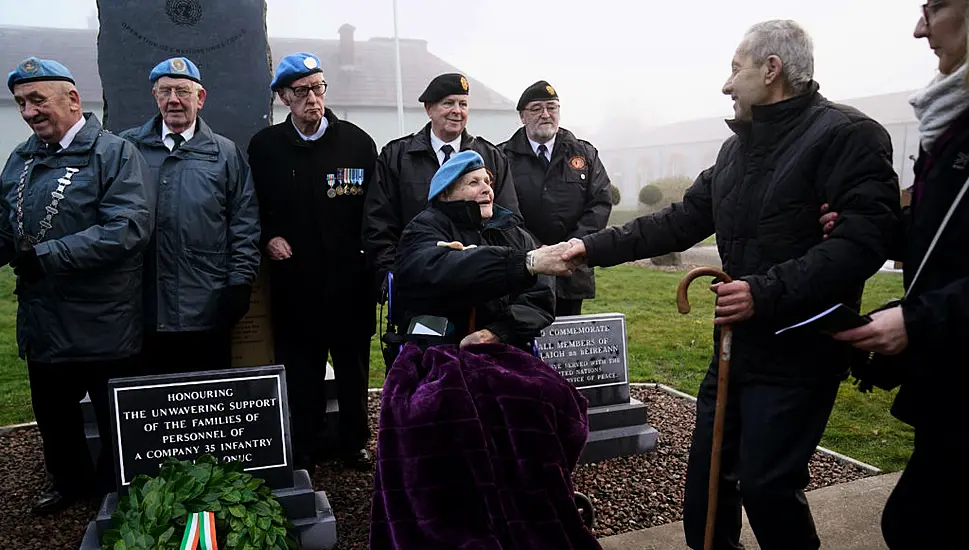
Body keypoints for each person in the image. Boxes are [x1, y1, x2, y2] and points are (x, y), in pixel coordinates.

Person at [533, 20, 901, 550]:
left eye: (735, 69)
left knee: (768, 486)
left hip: (801, 346)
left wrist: (763, 292)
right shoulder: (736, 150)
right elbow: (679, 220)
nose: (726, 85)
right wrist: (588, 247)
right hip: (735, 343)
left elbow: (861, 243)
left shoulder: (847, 135)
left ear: (771, 70)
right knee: (706, 481)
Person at [370, 150, 599, 549]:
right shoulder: (423, 230)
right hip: (434, 349)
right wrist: (515, 263)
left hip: (496, 345)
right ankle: (461, 511)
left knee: (549, 398)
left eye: (488, 182)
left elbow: (540, 299)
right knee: (445, 408)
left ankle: (531, 498)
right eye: (473, 183)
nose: (485, 189)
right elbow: (433, 271)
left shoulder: (512, 230)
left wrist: (499, 330)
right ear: (446, 193)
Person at [829, 2, 969, 548]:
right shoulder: (953, 119)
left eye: (934, 8)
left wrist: (919, 320)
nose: (919, 28)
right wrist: (879, 230)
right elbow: (945, 234)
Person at [1, 57, 154, 512]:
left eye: (37, 100)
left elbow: (128, 227)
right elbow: (6, 228)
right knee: (54, 417)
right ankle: (70, 485)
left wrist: (47, 257)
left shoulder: (114, 153)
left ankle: (118, 492)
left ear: (72, 99)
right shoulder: (21, 157)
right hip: (44, 321)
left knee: (114, 420)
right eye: (21, 103)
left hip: (103, 320)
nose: (28, 112)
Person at [248, 52, 377, 472]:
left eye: (318, 88)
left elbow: (374, 213)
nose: (312, 99)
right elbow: (254, 208)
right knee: (302, 369)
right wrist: (269, 236)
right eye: (301, 91)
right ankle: (306, 440)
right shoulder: (265, 147)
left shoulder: (357, 143)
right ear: (284, 97)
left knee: (352, 367)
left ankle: (355, 439)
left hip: (348, 282)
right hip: (295, 283)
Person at [119, 56, 260, 374]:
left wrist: (240, 283)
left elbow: (244, 223)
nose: (173, 100)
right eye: (165, 91)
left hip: (207, 307)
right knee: (152, 406)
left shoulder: (225, 154)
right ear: (155, 97)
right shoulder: (126, 149)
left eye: (182, 90)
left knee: (207, 407)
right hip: (143, 307)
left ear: (201, 98)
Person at [363, 73, 520, 308]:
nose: (457, 111)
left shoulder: (491, 156)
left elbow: (508, 220)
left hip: (480, 286)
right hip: (418, 283)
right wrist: (391, 273)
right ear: (429, 109)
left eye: (463, 104)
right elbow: (379, 222)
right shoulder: (396, 157)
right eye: (448, 103)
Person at [499, 80, 613, 316]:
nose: (545, 114)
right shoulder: (502, 157)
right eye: (536, 108)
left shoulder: (585, 154)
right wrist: (535, 249)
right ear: (522, 116)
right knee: (522, 337)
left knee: (568, 342)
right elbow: (503, 210)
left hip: (572, 266)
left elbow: (600, 202)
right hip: (524, 266)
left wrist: (572, 247)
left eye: (552, 107)